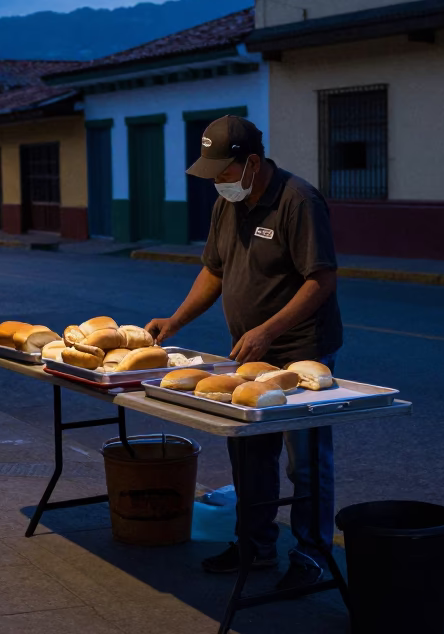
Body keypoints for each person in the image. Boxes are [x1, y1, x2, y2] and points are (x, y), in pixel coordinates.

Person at [146, 115, 343, 591]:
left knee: (306, 462)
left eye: (223, 172)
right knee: (249, 455)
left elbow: (322, 279)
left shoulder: (298, 200)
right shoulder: (227, 205)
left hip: (300, 355)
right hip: (249, 355)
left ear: (252, 162)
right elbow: (214, 271)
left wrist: (268, 330)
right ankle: (255, 546)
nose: (217, 182)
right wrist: (175, 322)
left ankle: (311, 555)